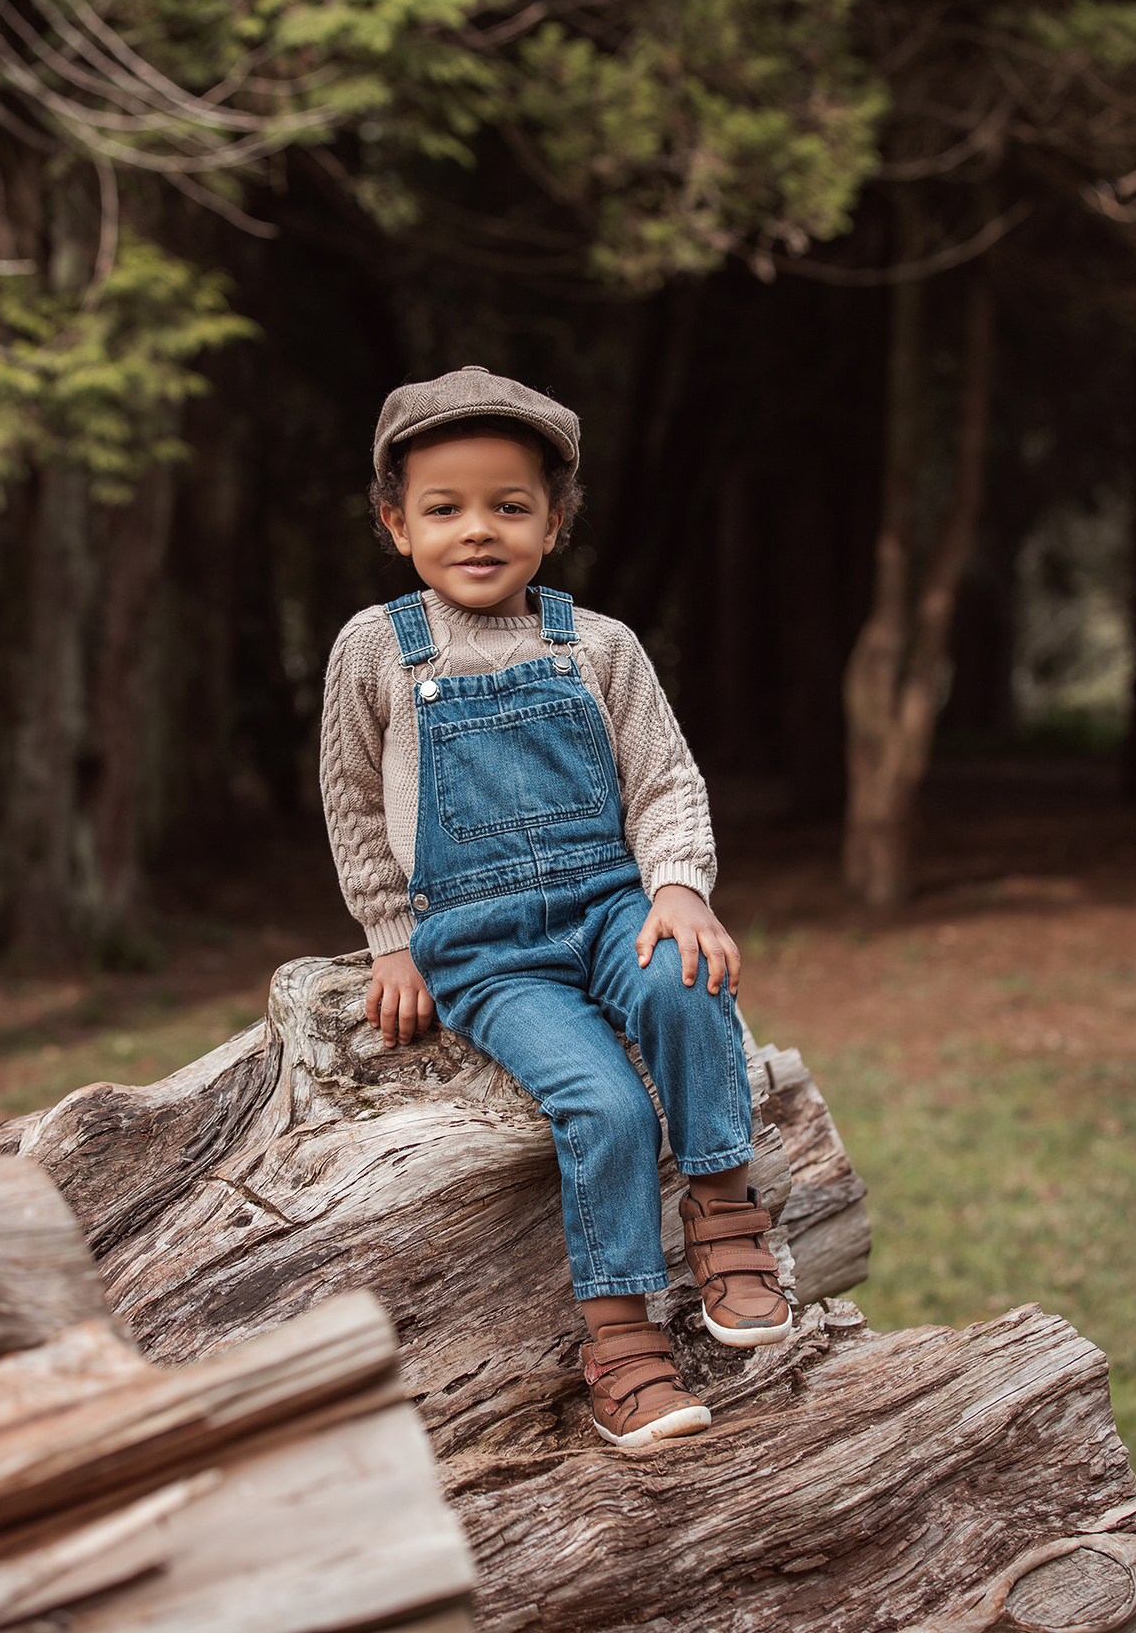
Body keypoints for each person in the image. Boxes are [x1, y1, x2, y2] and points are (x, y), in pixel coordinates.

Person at [320, 364, 791, 1450]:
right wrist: (391, 942)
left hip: (609, 905)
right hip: (485, 949)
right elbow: (352, 802)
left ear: (554, 521)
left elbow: (663, 779)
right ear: (397, 523)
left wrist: (678, 888)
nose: (477, 530)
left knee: (685, 984)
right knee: (606, 1106)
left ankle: (725, 1212)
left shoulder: (600, 645)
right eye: (444, 508)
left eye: (509, 505)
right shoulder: (376, 649)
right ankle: (622, 1341)